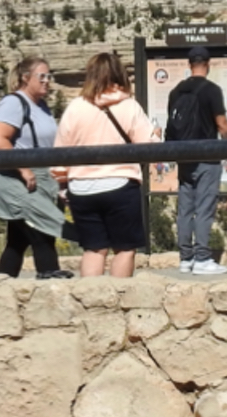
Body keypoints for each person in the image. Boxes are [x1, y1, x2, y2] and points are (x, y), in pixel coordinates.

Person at [54, 53, 160, 278]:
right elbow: (148, 148)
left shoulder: (75, 108)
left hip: (81, 187)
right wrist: (156, 137)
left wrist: (63, 184)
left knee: (94, 249)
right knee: (124, 248)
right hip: (120, 184)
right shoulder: (129, 106)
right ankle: (118, 301)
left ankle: (90, 303)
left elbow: (60, 152)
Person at [0, 56, 73, 279]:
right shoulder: (14, 103)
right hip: (21, 182)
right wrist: (23, 168)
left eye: (49, 76)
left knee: (18, 241)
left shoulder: (41, 106)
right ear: (26, 78)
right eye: (42, 76)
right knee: (43, 232)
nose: (47, 81)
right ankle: (50, 281)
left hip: (41, 181)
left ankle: (0, 288)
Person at [167, 46, 227, 275]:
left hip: (184, 156)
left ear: (189, 64)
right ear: (208, 63)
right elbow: (222, 125)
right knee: (204, 208)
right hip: (207, 156)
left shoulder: (176, 91)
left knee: (185, 209)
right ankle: (203, 258)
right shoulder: (212, 90)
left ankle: (185, 258)